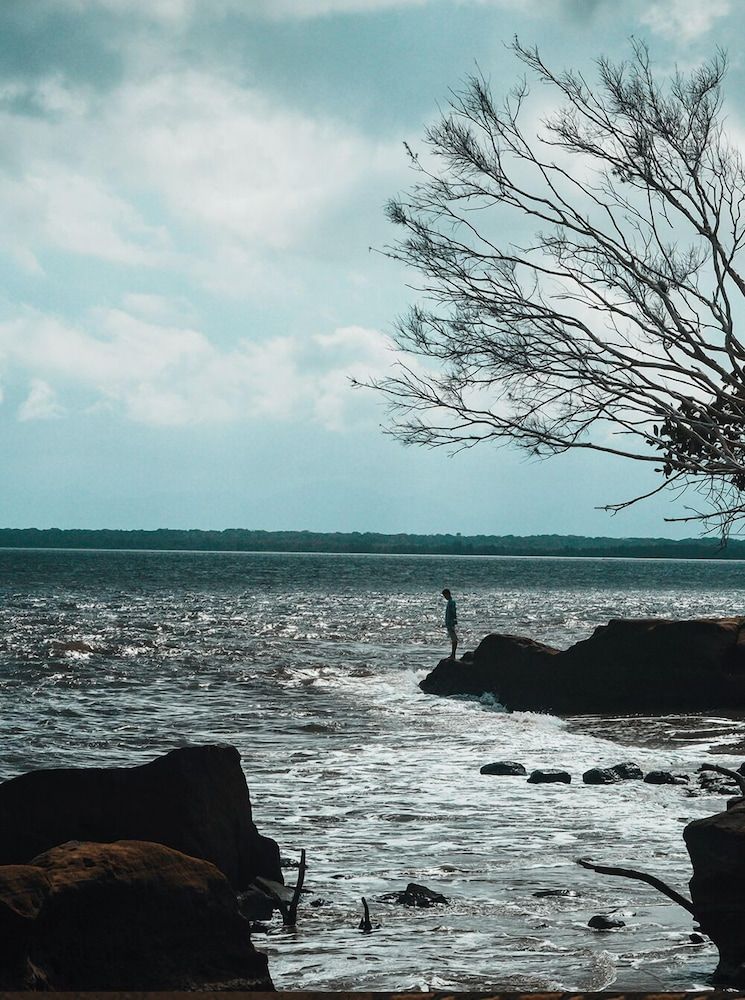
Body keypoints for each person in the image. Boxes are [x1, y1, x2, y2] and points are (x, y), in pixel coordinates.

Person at [441, 588, 458, 660]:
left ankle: (453, 655)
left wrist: (453, 622)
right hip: (449, 623)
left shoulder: (452, 602)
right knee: (453, 639)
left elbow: (453, 612)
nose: (445, 597)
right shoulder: (450, 602)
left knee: (454, 639)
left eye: (445, 596)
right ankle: (452, 654)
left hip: (451, 623)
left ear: (448, 594)